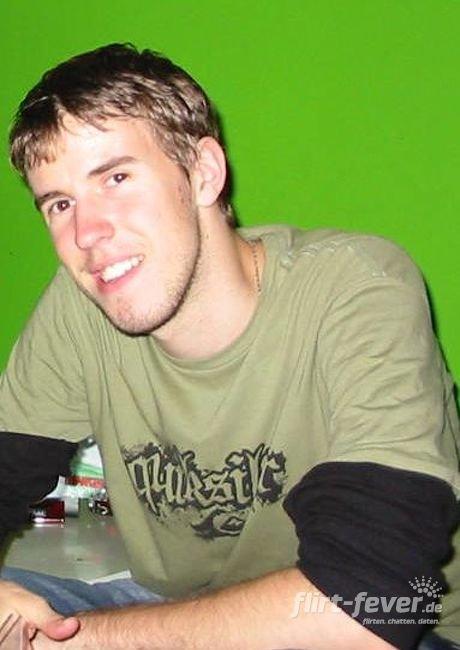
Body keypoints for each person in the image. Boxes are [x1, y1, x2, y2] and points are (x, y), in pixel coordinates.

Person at [0, 42, 458, 650]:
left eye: (116, 178)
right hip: (179, 612)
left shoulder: (358, 288)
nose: (87, 234)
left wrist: (63, 643)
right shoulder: (81, 304)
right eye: (60, 204)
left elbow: (367, 612)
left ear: (204, 173)